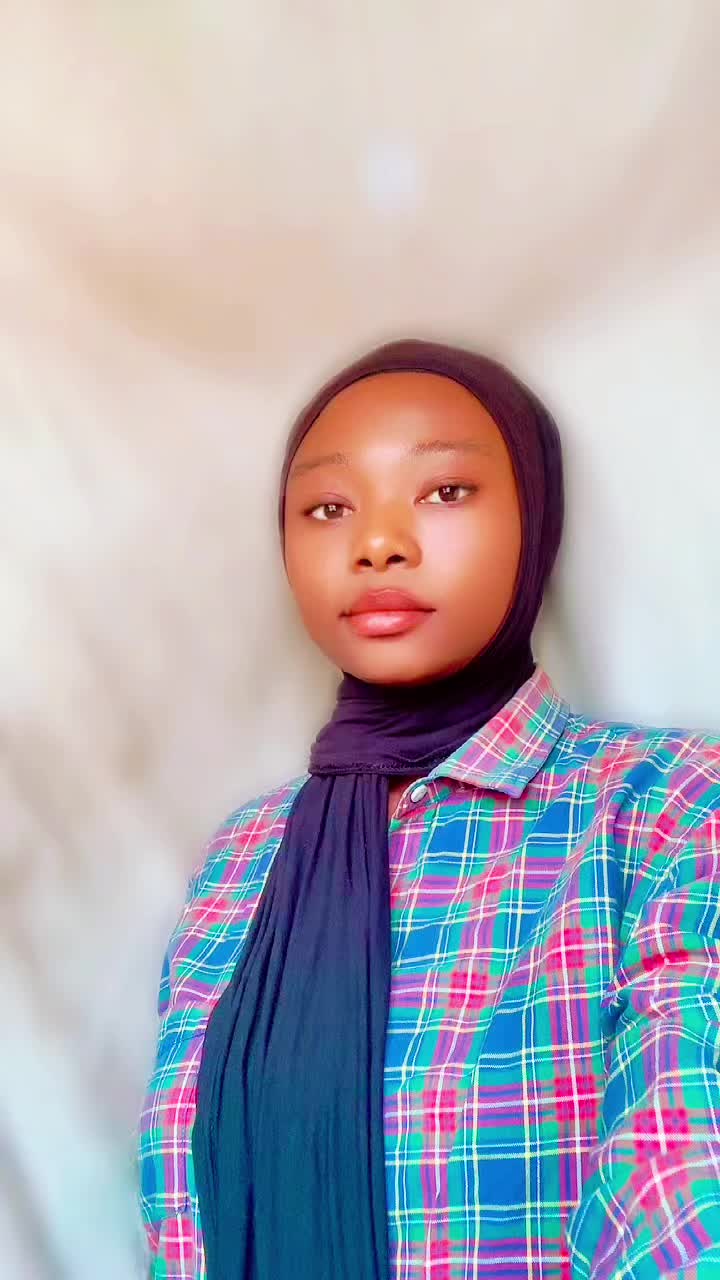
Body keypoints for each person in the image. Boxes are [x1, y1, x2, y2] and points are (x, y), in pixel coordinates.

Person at [138, 339, 720, 1280]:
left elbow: (681, 1184)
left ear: (536, 523)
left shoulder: (667, 806)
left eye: (445, 491)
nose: (377, 543)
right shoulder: (244, 857)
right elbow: (184, 1230)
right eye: (329, 508)